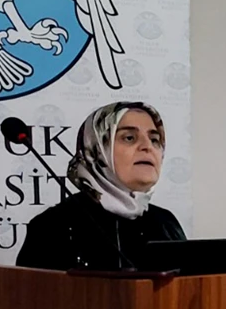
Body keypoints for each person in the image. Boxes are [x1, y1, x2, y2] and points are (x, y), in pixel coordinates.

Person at [16, 101, 185, 271]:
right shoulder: (52, 226)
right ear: (97, 148)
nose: (147, 147)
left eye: (155, 140)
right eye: (129, 138)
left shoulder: (166, 222)